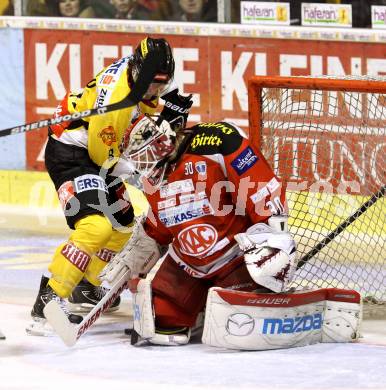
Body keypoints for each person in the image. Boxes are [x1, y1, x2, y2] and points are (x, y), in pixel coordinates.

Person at [27, 37, 193, 336]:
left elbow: (134, 127)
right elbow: (101, 156)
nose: (157, 90)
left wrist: (166, 113)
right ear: (140, 72)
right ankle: (48, 299)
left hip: (97, 151)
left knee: (123, 226)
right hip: (74, 155)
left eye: (163, 83)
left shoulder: (137, 77)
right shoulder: (115, 100)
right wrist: (139, 179)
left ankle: (86, 284)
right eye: (153, 83)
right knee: (96, 227)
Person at [100, 115, 298, 346]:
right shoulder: (151, 177)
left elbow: (261, 187)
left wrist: (274, 236)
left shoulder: (216, 143)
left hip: (235, 256)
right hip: (188, 264)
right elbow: (162, 222)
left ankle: (214, 303)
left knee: (240, 323)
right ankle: (200, 307)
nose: (139, 167)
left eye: (139, 157)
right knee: (158, 320)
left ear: (159, 143)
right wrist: (135, 258)